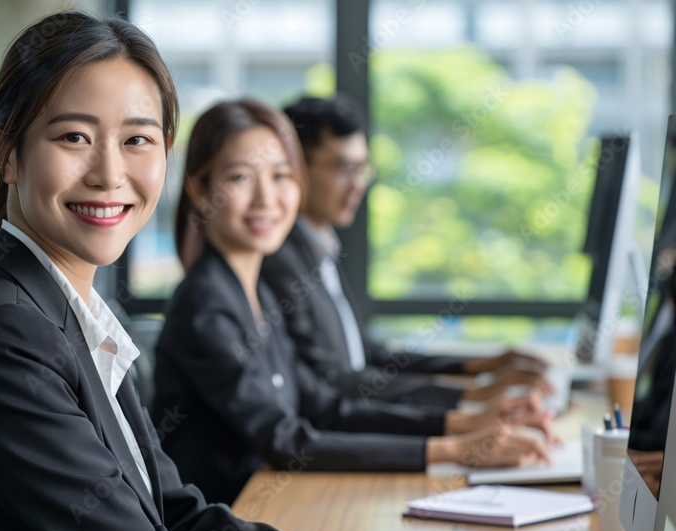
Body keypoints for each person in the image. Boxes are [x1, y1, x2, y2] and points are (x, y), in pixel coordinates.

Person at [0, 11, 375, 531]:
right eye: (74, 136)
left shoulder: (71, 313)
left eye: (137, 139)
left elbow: (176, 517)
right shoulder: (6, 333)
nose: (109, 173)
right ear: (6, 155)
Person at [152, 98, 556, 506]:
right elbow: (284, 439)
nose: (266, 198)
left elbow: (324, 407)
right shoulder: (205, 307)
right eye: (240, 177)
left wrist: (462, 424)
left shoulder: (254, 292)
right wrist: (453, 449)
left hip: (274, 505)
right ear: (200, 191)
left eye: (280, 175)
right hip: (226, 527)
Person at [260, 95, 552, 409]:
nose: (357, 184)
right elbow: (334, 379)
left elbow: (367, 355)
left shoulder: (320, 244)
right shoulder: (280, 259)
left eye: (363, 169)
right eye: (344, 168)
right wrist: (467, 398)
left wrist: (473, 366)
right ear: (294, 168)